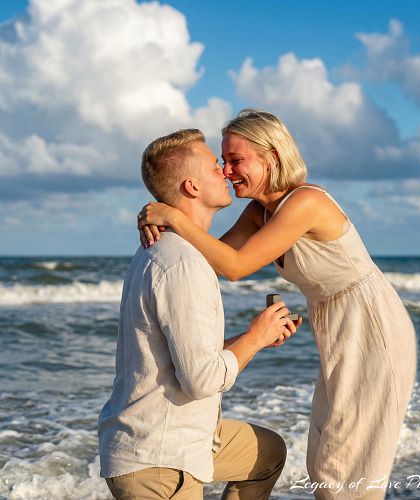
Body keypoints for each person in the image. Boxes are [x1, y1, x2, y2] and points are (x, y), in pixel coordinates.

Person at [137, 110, 417, 499]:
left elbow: (235, 267)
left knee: (346, 463)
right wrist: (159, 223)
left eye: (237, 160)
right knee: (325, 456)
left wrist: (174, 218)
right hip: (335, 327)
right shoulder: (259, 212)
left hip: (372, 327)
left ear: (271, 156)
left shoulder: (305, 202)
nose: (228, 171)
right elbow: (206, 263)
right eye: (224, 161)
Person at [98, 128, 302, 500]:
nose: (225, 171)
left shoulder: (165, 250)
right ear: (191, 187)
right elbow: (202, 380)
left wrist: (256, 338)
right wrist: (254, 337)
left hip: (177, 438)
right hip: (160, 461)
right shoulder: (182, 265)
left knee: (267, 453)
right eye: (214, 166)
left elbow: (183, 358)